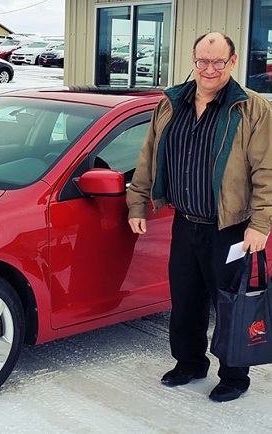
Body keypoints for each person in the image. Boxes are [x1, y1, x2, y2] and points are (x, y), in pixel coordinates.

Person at [126, 31, 272, 402]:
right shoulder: (172, 102)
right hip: (185, 221)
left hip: (231, 227)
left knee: (230, 303)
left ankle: (234, 375)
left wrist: (260, 225)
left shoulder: (251, 108)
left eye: (218, 62)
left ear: (232, 61)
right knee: (186, 299)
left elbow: (266, 172)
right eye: (202, 61)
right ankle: (189, 362)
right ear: (193, 60)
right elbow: (149, 155)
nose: (209, 69)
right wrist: (138, 202)